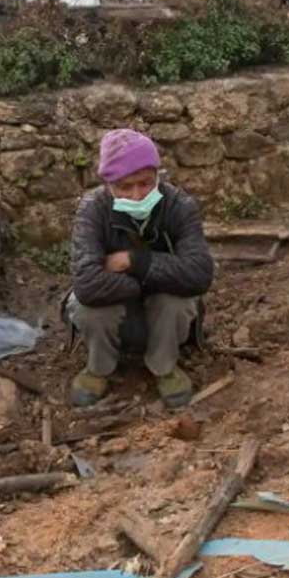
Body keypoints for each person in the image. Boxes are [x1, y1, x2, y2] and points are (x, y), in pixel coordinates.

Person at [66, 128, 215, 409]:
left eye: (145, 183)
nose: (136, 195)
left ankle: (164, 366)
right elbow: (86, 283)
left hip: (157, 298)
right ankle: (98, 368)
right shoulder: (93, 210)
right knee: (86, 308)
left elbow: (200, 273)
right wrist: (144, 284)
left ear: (157, 175)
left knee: (176, 303)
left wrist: (134, 262)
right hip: (118, 299)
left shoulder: (178, 206)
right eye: (125, 187)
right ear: (108, 184)